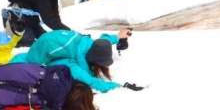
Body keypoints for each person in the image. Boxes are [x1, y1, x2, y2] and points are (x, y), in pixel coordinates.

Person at [11, 27, 143, 93]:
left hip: (58, 41)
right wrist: (119, 86)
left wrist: (119, 36)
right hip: (43, 48)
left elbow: (104, 40)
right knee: (30, 68)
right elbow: (91, 81)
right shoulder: (72, 63)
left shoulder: (90, 44)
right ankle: (11, 66)